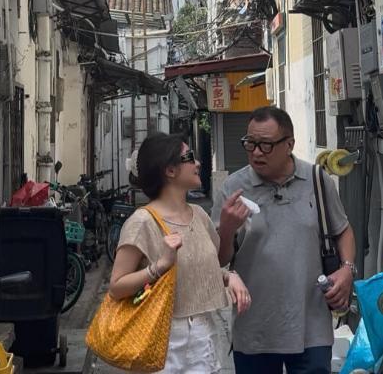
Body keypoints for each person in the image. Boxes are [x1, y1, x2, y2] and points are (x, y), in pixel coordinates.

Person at [211, 106, 356, 374]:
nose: (256, 152)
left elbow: (342, 230)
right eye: (250, 143)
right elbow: (219, 260)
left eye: (265, 145)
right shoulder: (233, 188)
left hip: (311, 326)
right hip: (255, 328)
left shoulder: (317, 180)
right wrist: (228, 228)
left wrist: (347, 270)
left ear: (289, 144)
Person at [109, 133, 251, 373]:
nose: (198, 163)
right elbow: (116, 287)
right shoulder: (142, 222)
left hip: (203, 334)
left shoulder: (199, 215)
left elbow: (209, 265)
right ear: (170, 170)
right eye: (189, 157)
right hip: (160, 335)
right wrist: (160, 266)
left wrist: (229, 276)